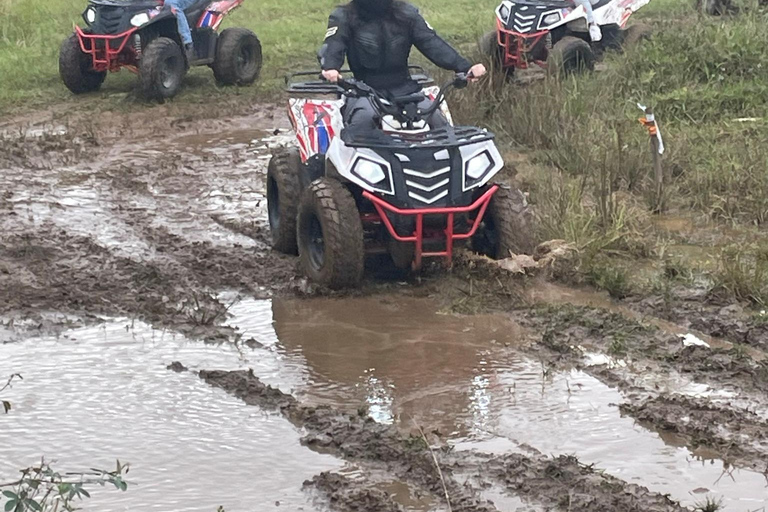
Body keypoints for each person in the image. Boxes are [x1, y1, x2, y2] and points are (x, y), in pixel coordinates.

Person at [319, 0, 486, 134]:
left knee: (436, 119)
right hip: (364, 89)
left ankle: (447, 169)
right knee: (362, 120)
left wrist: (464, 67)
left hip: (406, 89)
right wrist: (331, 67)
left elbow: (432, 43)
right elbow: (333, 44)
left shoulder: (407, 14)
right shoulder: (343, 16)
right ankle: (345, 172)